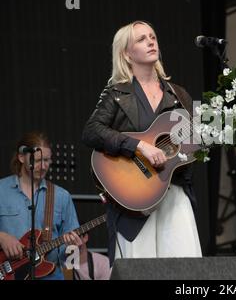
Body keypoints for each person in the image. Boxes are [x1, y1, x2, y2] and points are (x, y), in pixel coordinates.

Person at [81, 20, 202, 265]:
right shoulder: (117, 93)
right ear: (127, 53)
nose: (150, 41)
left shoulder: (179, 94)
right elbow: (91, 131)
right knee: (140, 269)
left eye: (153, 37)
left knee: (186, 270)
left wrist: (234, 105)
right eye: (141, 39)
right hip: (135, 199)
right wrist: (139, 146)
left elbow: (198, 138)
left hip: (173, 193)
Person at [0, 132, 83, 280]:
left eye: (47, 160)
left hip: (50, 275)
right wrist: (1, 237)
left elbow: (72, 261)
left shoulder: (61, 196)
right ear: (21, 157)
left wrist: (74, 248)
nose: (43, 166)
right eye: (37, 160)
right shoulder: (1, 190)